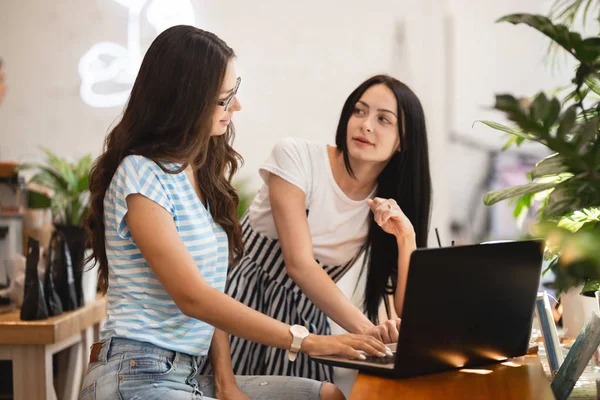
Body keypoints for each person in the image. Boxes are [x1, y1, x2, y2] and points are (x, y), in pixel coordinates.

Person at [79, 25, 388, 400]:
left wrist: (226, 381)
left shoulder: (198, 175)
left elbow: (212, 293)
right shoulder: (141, 175)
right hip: (137, 372)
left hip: (194, 373)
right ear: (186, 102)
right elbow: (192, 297)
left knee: (327, 395)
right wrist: (305, 342)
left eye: (234, 93)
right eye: (225, 98)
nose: (235, 107)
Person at [215, 74, 432, 382]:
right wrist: (367, 332)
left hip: (308, 322)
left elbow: (407, 313)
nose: (366, 124)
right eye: (359, 111)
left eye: (384, 119)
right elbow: (299, 265)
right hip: (243, 305)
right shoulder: (296, 157)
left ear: (404, 142)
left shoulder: (387, 202)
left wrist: (406, 237)